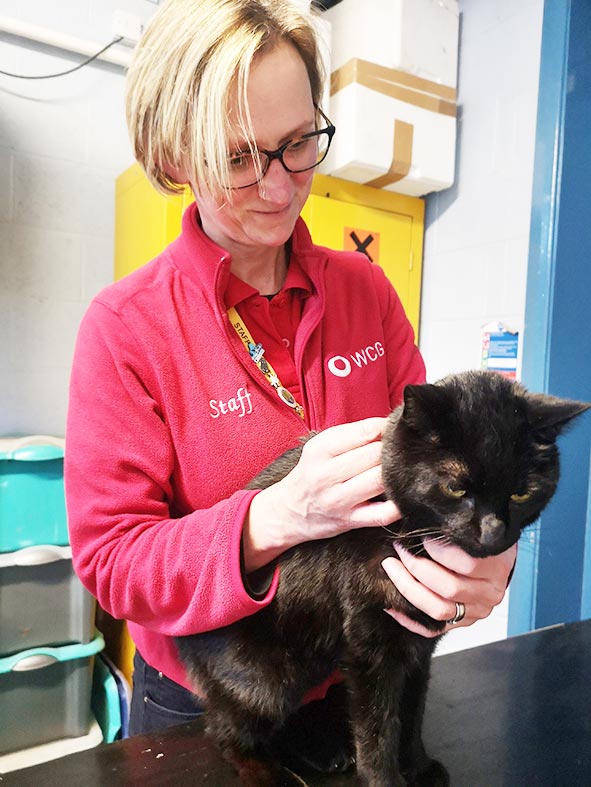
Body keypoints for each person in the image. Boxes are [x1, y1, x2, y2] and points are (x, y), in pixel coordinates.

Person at [65, 0, 516, 768]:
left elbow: (432, 473)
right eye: (238, 159)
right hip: (212, 699)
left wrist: (483, 564)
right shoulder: (125, 328)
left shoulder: (364, 291)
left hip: (357, 676)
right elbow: (113, 562)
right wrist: (273, 516)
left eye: (299, 142)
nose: (278, 185)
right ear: (175, 157)